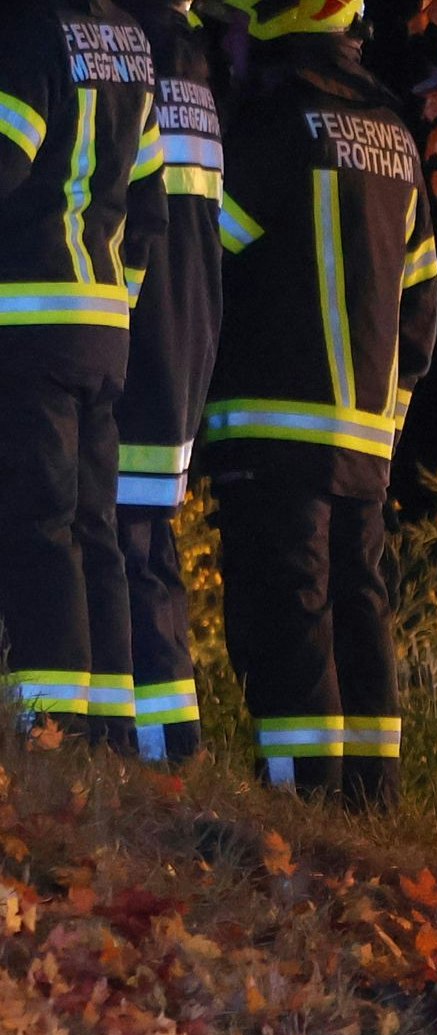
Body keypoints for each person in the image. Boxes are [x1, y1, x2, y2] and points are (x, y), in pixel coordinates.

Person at [198, 0, 426, 805]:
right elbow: (421, 289)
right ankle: (372, 796)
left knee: (286, 615)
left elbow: (206, 253)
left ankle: (300, 799)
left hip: (271, 428)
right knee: (360, 606)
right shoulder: (394, 134)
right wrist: (386, 417)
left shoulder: (275, 122)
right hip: (365, 438)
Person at [0, 0, 158, 742]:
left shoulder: (33, 30)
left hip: (30, 314)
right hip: (105, 322)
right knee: (97, 528)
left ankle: (50, 726)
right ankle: (111, 729)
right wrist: (117, 299)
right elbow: (151, 204)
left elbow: (6, 156)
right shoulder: (130, 40)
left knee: (39, 524)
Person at [112, 0, 211, 757]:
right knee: (150, 546)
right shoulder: (193, 69)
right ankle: (173, 738)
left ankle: (135, 742)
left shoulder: (138, 53)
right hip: (186, 340)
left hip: (134, 332)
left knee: (118, 542)